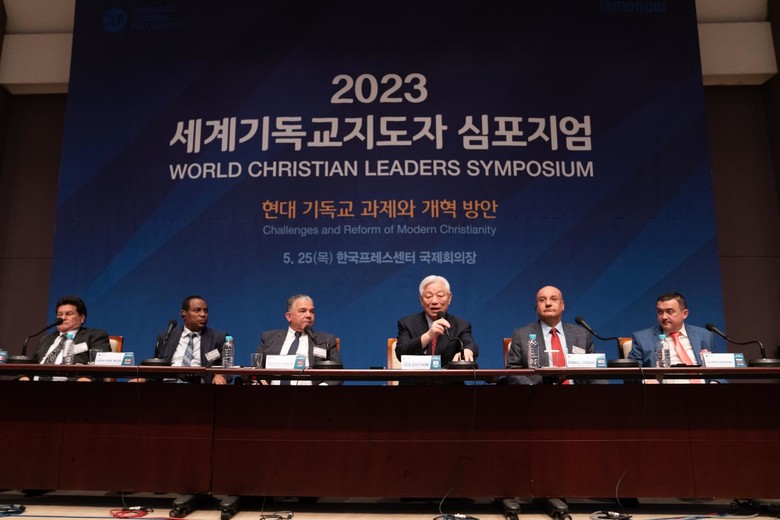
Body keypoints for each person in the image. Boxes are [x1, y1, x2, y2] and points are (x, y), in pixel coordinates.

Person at [506, 285, 597, 384]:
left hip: (577, 392)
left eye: (553, 299)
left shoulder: (582, 334)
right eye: (542, 300)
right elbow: (513, 371)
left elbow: (596, 371)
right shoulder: (521, 335)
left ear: (562, 305)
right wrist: (532, 389)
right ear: (537, 307)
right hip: (538, 391)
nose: (548, 303)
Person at [257, 294, 342, 385]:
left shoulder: (326, 340)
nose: (309, 315)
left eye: (312, 311)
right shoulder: (269, 338)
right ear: (289, 316)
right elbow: (257, 368)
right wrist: (260, 382)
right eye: (303, 311)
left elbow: (337, 374)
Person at [396, 275, 479, 366]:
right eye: (428, 296)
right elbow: (400, 352)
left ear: (449, 298)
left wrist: (467, 350)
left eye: (440, 296)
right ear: (421, 300)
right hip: (417, 375)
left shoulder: (461, 325)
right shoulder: (407, 323)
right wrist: (428, 336)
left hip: (448, 375)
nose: (434, 301)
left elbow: (470, 345)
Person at [29, 295, 111, 382]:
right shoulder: (46, 339)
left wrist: (88, 378)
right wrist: (26, 376)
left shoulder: (94, 336)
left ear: (82, 318)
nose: (63, 318)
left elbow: (102, 364)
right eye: (59, 314)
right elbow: (32, 364)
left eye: (69, 314)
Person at [628, 292, 716, 369]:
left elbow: (717, 368)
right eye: (660, 312)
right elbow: (631, 375)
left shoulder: (704, 335)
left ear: (685, 314)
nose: (664, 317)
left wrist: (715, 381)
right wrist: (647, 380)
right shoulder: (642, 338)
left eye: (669, 311)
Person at [156, 295, 230, 384]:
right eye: (197, 310)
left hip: (199, 386)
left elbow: (226, 367)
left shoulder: (218, 338)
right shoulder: (167, 336)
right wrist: (143, 377)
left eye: (205, 311)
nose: (203, 315)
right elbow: (156, 363)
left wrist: (220, 375)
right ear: (183, 314)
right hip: (168, 384)